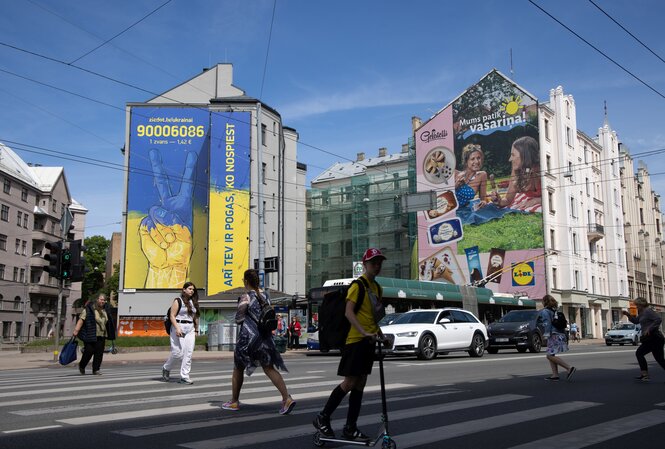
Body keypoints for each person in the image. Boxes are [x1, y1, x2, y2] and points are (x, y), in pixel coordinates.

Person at [313, 248, 387, 440]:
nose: (377, 266)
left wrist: (381, 334)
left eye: (379, 263)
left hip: (368, 341)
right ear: (365, 264)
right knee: (350, 382)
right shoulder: (358, 286)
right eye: (373, 263)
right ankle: (323, 417)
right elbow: (349, 312)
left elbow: (372, 317)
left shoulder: (377, 288)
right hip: (355, 341)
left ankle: (350, 427)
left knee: (360, 383)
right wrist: (363, 332)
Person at [222, 269, 296, 414]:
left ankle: (234, 402)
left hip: (248, 340)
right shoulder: (265, 297)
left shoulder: (246, 297)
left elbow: (239, 318)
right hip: (265, 339)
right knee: (269, 368)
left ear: (246, 281)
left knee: (238, 368)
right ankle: (286, 398)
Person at [162, 281, 200, 384]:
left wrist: (196, 329)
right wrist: (177, 328)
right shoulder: (178, 301)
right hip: (178, 327)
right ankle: (166, 368)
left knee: (188, 353)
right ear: (184, 290)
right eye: (190, 289)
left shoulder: (193, 302)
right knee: (178, 353)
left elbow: (195, 316)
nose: (192, 291)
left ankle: (184, 376)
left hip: (190, 328)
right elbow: (172, 316)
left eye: (193, 289)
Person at [491, 136, 542, 212]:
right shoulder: (516, 169)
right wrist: (499, 201)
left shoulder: (543, 167)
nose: (510, 159)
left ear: (525, 156)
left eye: (513, 155)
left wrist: (537, 200)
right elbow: (507, 200)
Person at [622, 297, 665, 381]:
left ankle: (645, 375)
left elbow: (658, 319)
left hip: (654, 337)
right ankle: (644, 375)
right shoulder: (642, 313)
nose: (636, 307)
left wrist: (649, 328)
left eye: (637, 305)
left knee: (643, 354)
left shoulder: (648, 311)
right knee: (657, 358)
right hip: (650, 338)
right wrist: (628, 315)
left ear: (641, 304)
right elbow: (636, 321)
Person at [73, 293, 116, 375]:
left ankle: (96, 369)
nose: (102, 301)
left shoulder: (105, 310)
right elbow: (81, 320)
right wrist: (76, 331)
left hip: (101, 334)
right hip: (90, 333)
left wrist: (111, 333)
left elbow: (109, 322)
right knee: (89, 351)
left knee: (99, 353)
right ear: (97, 300)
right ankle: (82, 365)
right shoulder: (89, 309)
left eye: (104, 300)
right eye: (101, 299)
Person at [539, 294, 576, 381]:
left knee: (549, 356)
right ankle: (555, 375)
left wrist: (546, 335)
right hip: (559, 334)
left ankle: (569, 368)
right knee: (551, 354)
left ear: (545, 302)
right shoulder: (554, 311)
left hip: (553, 335)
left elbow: (546, 323)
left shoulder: (545, 312)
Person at [455, 143, 488, 207]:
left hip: (466, 211)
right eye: (472, 159)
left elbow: (483, 199)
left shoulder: (482, 175)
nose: (477, 162)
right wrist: (456, 186)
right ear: (466, 161)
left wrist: (483, 203)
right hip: (450, 211)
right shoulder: (455, 174)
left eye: (478, 158)